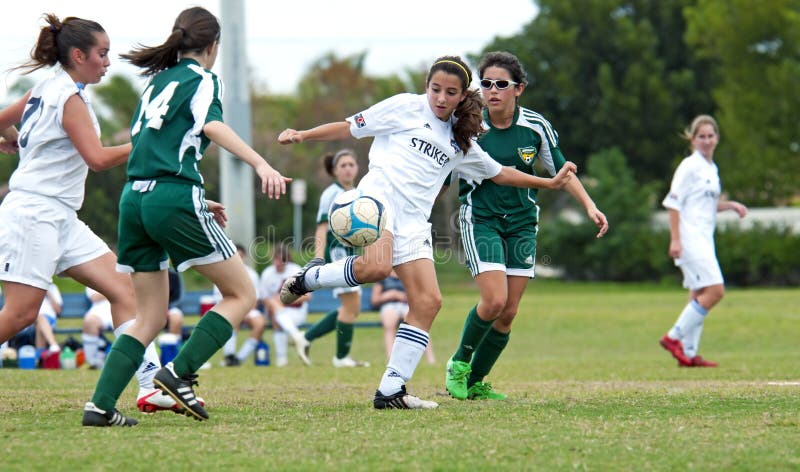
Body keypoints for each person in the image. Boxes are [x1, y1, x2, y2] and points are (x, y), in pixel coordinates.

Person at [278, 55, 576, 409]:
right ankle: (309, 278)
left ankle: (391, 390)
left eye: (450, 92)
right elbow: (349, 126)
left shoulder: (462, 139)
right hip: (380, 199)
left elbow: (498, 173)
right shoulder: (405, 107)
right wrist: (302, 135)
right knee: (376, 268)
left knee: (428, 302)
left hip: (415, 221)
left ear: (462, 95)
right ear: (427, 87)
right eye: (435, 89)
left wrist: (549, 182)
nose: (440, 98)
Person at [83, 6, 290, 426]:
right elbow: (212, 127)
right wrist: (261, 164)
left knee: (150, 317)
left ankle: (100, 406)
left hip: (135, 200)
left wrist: (193, 196)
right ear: (213, 45)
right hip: (170, 197)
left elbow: (149, 147)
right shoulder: (203, 79)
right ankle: (179, 374)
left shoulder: (157, 82)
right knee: (243, 294)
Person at [0, 14, 176, 424]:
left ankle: (149, 385)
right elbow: (97, 159)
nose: (108, 62)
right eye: (103, 53)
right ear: (78, 55)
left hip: (60, 217)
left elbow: (3, 121)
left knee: (124, 291)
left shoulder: (46, 88)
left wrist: (11, 139)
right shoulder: (67, 98)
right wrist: (145, 143)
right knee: (23, 314)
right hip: (33, 214)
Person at [443, 51, 609, 401]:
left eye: (501, 84)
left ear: (519, 89)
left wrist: (590, 206)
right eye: (486, 83)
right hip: (481, 219)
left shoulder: (535, 126)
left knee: (508, 313)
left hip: (521, 224)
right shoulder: (468, 126)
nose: (492, 91)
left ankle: (475, 382)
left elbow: (561, 171)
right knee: (493, 300)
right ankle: (458, 364)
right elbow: (438, 171)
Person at [658, 115, 747, 368]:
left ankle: (688, 353)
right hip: (690, 238)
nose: (706, 141)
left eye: (710, 136)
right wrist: (675, 240)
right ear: (693, 139)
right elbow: (673, 203)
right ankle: (673, 337)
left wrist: (730, 205)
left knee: (698, 292)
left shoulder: (711, 168)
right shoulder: (689, 166)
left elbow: (703, 204)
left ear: (717, 138)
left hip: (705, 238)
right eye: (701, 136)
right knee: (716, 290)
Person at [298, 149, 369, 368]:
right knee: (352, 305)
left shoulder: (360, 191)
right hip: (336, 253)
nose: (348, 168)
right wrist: (319, 258)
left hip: (352, 252)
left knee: (350, 307)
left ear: (357, 168)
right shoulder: (331, 193)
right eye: (343, 165)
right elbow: (321, 228)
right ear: (335, 170)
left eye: (351, 164)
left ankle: (306, 338)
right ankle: (340, 357)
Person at [260, 244, 311, 367]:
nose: (278, 263)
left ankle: (281, 358)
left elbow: (308, 296)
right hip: (276, 313)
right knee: (273, 308)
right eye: (276, 259)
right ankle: (295, 336)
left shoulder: (296, 270)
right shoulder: (267, 274)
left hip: (296, 312)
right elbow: (264, 299)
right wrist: (276, 302)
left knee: (275, 311)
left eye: (282, 259)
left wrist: (284, 299)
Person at [373, 270, 435, 365]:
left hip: (406, 305)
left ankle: (430, 359)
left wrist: (402, 296)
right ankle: (391, 359)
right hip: (389, 305)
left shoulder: (408, 277)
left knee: (420, 324)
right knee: (389, 324)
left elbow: (416, 296)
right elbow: (375, 300)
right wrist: (389, 295)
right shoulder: (383, 279)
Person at [219, 245, 266, 366]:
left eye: (241, 256)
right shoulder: (221, 273)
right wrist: (238, 311)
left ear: (244, 257)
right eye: (236, 256)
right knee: (234, 319)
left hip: (249, 309)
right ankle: (229, 356)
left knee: (260, 323)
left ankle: (239, 358)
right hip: (230, 309)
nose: (239, 259)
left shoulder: (252, 274)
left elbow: (256, 298)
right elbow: (220, 299)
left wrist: (244, 311)